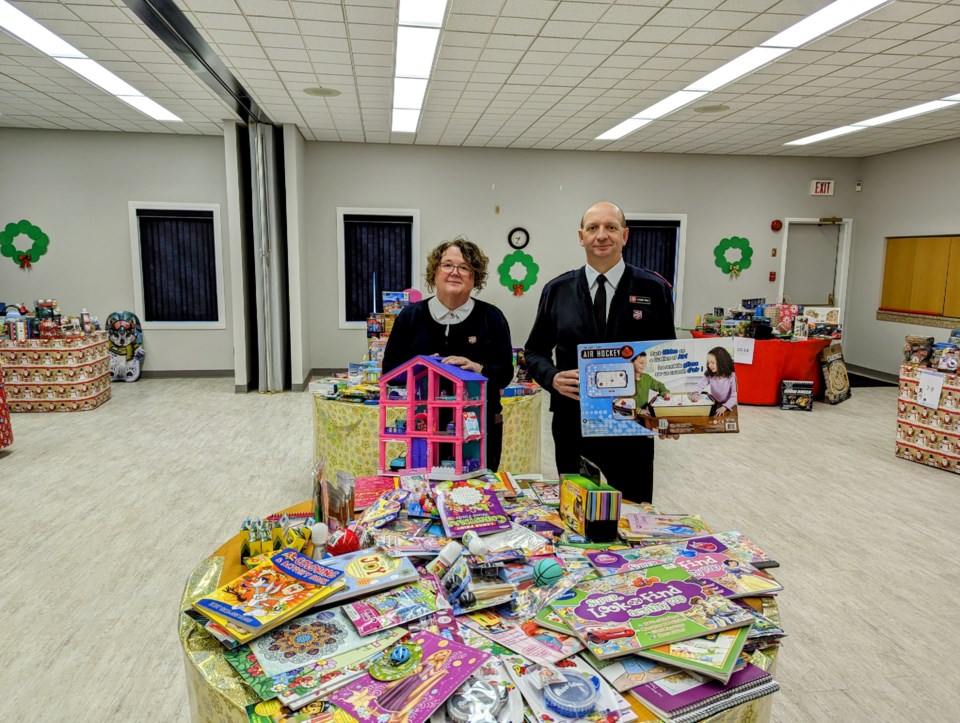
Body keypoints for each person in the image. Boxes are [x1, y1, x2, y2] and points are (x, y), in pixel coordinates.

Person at [524, 201, 676, 503]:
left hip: (631, 424)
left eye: (611, 227)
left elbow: (667, 359)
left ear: (625, 235)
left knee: (634, 509)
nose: (601, 235)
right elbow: (534, 351)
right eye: (593, 228)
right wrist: (552, 378)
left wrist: (670, 414)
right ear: (581, 237)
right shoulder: (557, 290)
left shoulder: (654, 289)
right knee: (578, 510)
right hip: (573, 420)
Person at [382, 238, 514, 471]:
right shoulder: (410, 317)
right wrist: (419, 367)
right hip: (423, 428)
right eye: (447, 265)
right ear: (435, 272)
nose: (455, 272)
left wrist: (478, 368)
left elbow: (504, 374)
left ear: (475, 277)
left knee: (477, 495)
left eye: (464, 267)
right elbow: (390, 373)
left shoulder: (491, 318)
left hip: (478, 428)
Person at [689, 346, 737, 417]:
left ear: (721, 363)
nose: (710, 365)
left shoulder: (732, 376)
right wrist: (696, 392)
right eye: (708, 363)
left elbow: (735, 396)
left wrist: (725, 407)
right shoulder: (710, 375)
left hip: (729, 405)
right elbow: (700, 385)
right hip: (715, 403)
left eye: (712, 363)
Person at [630, 351, 670, 417]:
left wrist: (665, 393)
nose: (644, 366)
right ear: (631, 363)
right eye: (641, 363)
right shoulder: (625, 381)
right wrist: (639, 411)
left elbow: (659, 385)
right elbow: (621, 403)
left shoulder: (647, 377)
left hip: (645, 415)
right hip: (631, 417)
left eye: (645, 363)